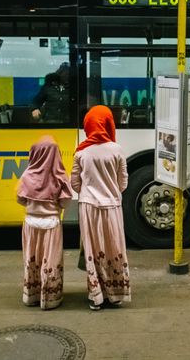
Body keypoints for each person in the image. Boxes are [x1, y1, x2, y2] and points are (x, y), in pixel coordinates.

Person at [71, 105, 131, 310]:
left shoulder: (81, 152)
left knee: (93, 249)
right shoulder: (117, 150)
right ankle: (116, 294)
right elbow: (123, 183)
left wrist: (90, 190)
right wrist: (110, 191)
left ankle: (96, 295)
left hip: (88, 207)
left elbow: (75, 184)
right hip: (112, 206)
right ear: (108, 123)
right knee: (113, 246)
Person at [16, 135, 73, 309]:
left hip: (31, 225)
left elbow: (21, 199)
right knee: (51, 261)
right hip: (51, 224)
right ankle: (49, 298)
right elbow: (65, 202)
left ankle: (31, 296)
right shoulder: (60, 177)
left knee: (32, 259)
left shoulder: (27, 175)